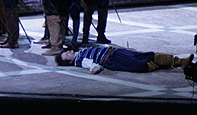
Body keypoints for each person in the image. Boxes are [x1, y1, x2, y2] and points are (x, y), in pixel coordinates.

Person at [56, 47, 193, 74]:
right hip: (112, 59)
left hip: (115, 52)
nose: (69, 52)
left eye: (66, 52)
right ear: (69, 62)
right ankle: (175, 63)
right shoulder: (81, 60)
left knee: (146, 55)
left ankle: (180, 61)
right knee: (140, 64)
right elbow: (92, 65)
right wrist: (94, 69)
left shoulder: (81, 51)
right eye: (66, 55)